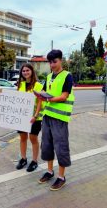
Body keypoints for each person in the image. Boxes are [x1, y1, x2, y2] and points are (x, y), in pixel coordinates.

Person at [36, 49, 75, 191]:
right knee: (46, 145)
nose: (52, 65)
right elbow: (44, 93)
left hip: (60, 118)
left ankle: (61, 177)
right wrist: (39, 96)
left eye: (54, 61)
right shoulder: (49, 77)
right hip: (47, 116)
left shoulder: (67, 76)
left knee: (61, 146)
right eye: (50, 62)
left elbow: (64, 96)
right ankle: (50, 171)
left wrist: (47, 98)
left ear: (61, 60)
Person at [16, 63, 44, 172]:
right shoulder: (20, 84)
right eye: (23, 71)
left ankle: (34, 161)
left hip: (34, 118)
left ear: (32, 71)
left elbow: (40, 103)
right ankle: (23, 159)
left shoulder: (38, 85)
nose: (25, 72)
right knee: (23, 138)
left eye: (27, 70)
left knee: (33, 138)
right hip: (22, 117)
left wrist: (35, 116)